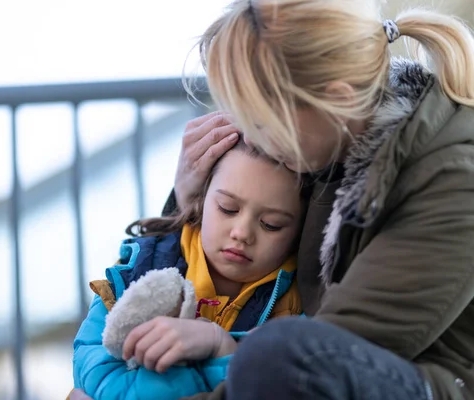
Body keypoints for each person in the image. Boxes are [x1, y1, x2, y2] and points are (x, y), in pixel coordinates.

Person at [165, 0, 474, 399]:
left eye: (260, 120)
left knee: (276, 355)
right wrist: (185, 199)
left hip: (434, 383)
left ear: (337, 99)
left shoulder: (454, 184)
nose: (250, 137)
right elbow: (194, 277)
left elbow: (314, 357)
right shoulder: (326, 142)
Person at [71, 139, 305, 400]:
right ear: (201, 201)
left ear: (299, 233)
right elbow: (91, 366)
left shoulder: (301, 307)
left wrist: (221, 347)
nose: (242, 233)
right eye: (228, 208)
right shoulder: (138, 270)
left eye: (271, 224)